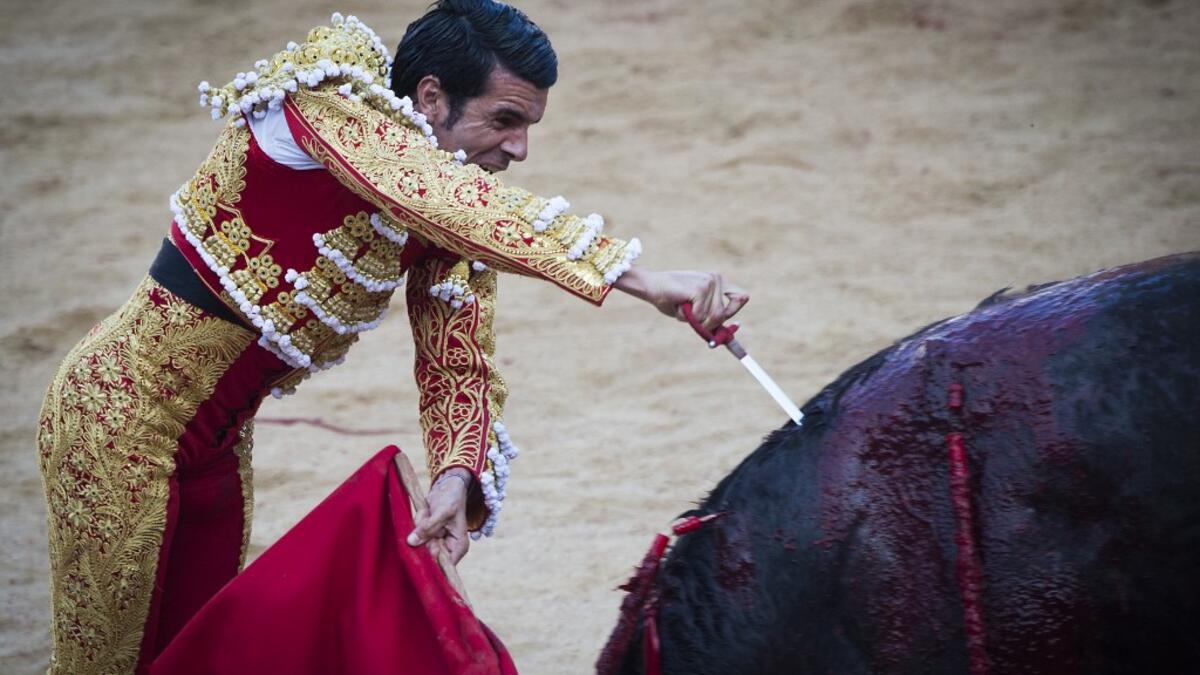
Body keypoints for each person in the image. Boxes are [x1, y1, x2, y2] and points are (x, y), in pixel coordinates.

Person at [36, 2, 748, 673]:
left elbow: (458, 365)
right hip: (115, 420)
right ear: (432, 97)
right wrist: (640, 278)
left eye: (528, 125)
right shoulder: (328, 100)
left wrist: (454, 476)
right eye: (505, 119)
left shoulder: (444, 213)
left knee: (192, 658)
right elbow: (431, 193)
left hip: (216, 450)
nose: (521, 148)